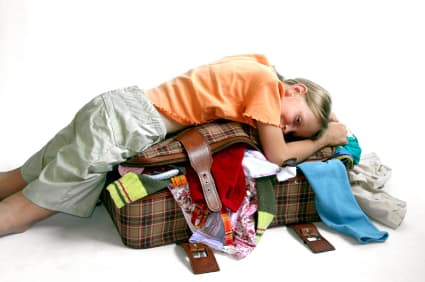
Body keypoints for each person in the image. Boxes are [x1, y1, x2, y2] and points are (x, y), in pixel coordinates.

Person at [0, 54, 348, 237]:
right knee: (20, 215)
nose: (284, 127)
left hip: (116, 106)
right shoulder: (266, 86)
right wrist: (328, 137)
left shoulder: (256, 66)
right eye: (296, 120)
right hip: (127, 125)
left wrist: (318, 122)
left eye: (293, 131)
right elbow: (278, 154)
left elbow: (279, 132)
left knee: (21, 177)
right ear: (296, 89)